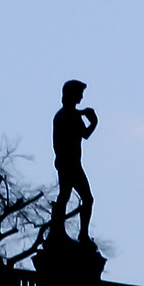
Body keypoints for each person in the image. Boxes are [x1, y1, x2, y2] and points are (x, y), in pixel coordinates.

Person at [51, 79, 99, 244]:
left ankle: (59, 230)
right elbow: (85, 134)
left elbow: (82, 133)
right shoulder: (68, 116)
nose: (81, 98)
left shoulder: (69, 114)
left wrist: (84, 115)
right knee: (85, 198)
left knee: (65, 196)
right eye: (79, 94)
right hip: (69, 163)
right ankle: (80, 234)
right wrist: (94, 122)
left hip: (68, 163)